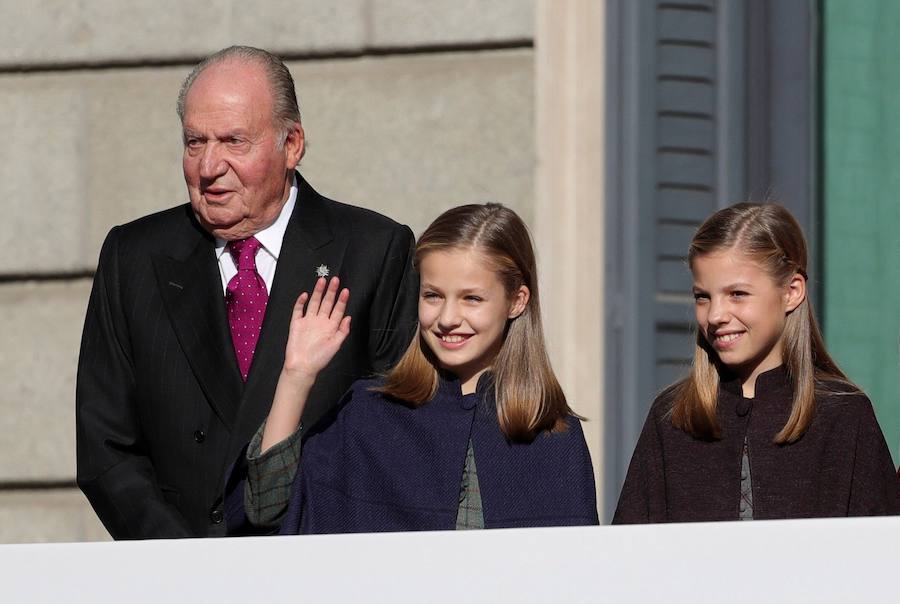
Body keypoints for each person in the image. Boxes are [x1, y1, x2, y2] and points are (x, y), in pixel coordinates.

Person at [76, 46, 418, 539]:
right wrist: (180, 564)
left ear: (292, 143)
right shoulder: (134, 256)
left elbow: (397, 435)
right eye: (195, 142)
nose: (209, 165)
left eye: (234, 141)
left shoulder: (373, 250)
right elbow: (104, 443)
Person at [225, 203, 599, 534]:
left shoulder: (554, 436)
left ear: (516, 301)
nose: (448, 318)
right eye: (432, 295)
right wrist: (296, 376)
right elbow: (265, 509)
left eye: (472, 298)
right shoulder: (367, 414)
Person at [614, 202, 900, 523]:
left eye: (737, 294)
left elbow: (882, 560)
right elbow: (627, 561)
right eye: (702, 296)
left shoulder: (846, 417)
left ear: (792, 291)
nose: (716, 315)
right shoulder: (670, 419)